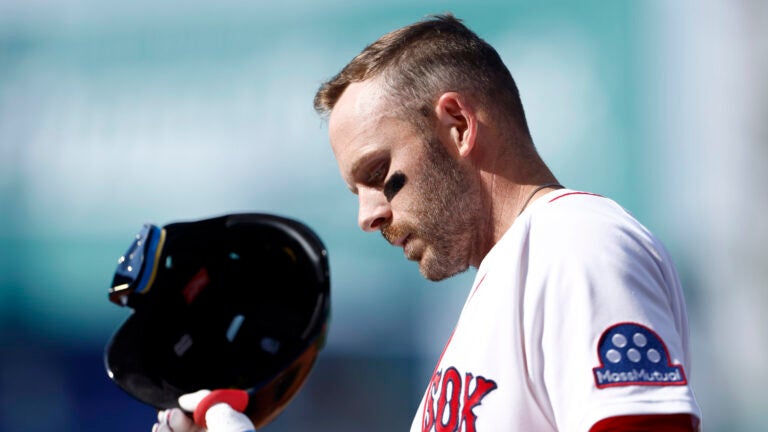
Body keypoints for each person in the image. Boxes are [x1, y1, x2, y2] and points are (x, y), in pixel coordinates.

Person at [153, 13, 701, 432]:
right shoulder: (507, 279)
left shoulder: (574, 242)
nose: (368, 215)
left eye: (377, 171)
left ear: (459, 124)